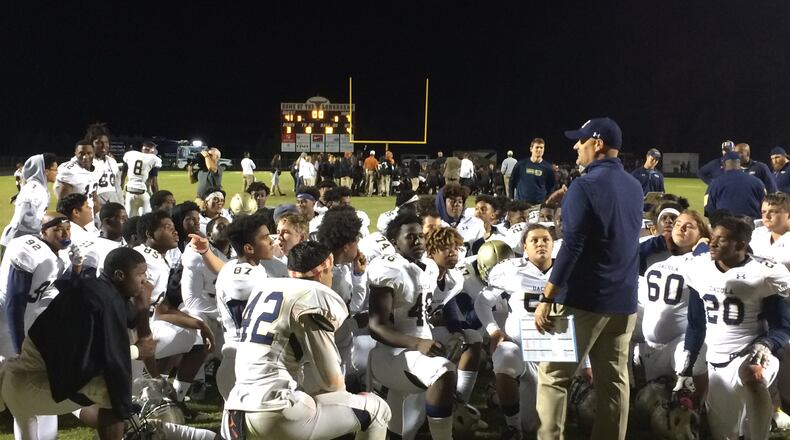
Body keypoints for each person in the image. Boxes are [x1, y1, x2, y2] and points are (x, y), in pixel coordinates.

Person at [533, 117, 643, 440]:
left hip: (585, 299)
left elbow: (572, 247)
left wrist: (548, 296)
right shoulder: (634, 185)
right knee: (614, 384)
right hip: (623, 300)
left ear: (597, 144)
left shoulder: (585, 185)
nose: (575, 146)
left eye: (581, 140)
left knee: (553, 375)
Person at [221, 241, 391, 440]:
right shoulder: (313, 295)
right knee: (377, 410)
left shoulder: (266, 287)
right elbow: (332, 383)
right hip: (276, 411)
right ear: (324, 268)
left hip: (235, 409)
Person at [0, 247, 154, 440]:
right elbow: (113, 361)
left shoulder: (98, 289)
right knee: (111, 389)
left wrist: (143, 306)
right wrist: (137, 351)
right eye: (140, 274)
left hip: (21, 377)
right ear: (120, 275)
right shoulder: (105, 301)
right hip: (29, 382)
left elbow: (129, 319)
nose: (145, 279)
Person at [680, 215, 790, 440]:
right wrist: (686, 366)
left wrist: (766, 344)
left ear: (740, 244)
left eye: (721, 240)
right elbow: (696, 324)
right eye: (712, 237)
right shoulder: (699, 268)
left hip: (752, 351)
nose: (712, 243)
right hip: (717, 359)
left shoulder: (764, 272)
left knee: (752, 374)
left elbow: (783, 327)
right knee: (724, 433)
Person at [367, 212, 456, 439]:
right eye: (410, 237)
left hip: (416, 353)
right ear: (395, 242)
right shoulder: (388, 269)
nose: (418, 241)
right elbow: (376, 326)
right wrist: (418, 343)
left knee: (401, 431)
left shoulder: (428, 266)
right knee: (443, 371)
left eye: (420, 236)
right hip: (392, 355)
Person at [213, 213, 273, 399]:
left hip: (244, 359)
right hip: (242, 362)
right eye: (265, 238)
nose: (271, 242)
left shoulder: (243, 266)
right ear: (248, 248)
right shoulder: (242, 276)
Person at [1, 154, 58, 247]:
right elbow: (24, 219)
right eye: (55, 169)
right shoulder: (34, 189)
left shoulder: (38, 187)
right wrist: (47, 227)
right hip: (15, 242)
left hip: (23, 240)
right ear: (46, 171)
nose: (57, 172)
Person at [704, 151, 766, 219]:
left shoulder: (714, 184)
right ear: (740, 164)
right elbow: (766, 205)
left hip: (726, 225)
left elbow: (708, 210)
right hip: (752, 226)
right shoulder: (758, 182)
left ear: (724, 164)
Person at [55, 139, 99, 211]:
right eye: (82, 153)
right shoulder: (70, 171)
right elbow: (62, 204)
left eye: (89, 153)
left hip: (89, 213)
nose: (85, 157)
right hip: (76, 215)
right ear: (75, 153)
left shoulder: (96, 166)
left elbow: (94, 195)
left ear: (94, 153)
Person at [509, 138, 555, 204]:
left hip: (538, 205)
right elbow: (512, 182)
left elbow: (551, 186)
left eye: (541, 148)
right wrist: (511, 199)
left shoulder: (548, 168)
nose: (539, 149)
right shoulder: (521, 165)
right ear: (531, 149)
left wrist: (546, 200)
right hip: (522, 204)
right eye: (537, 147)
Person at [87, 122, 122, 206]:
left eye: (106, 142)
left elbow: (117, 186)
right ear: (91, 144)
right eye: (99, 142)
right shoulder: (86, 163)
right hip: (95, 203)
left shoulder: (112, 161)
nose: (104, 146)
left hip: (113, 202)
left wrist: (121, 203)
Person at [750, 192, 790, 268]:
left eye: (773, 212)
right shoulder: (757, 234)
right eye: (763, 212)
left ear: (789, 215)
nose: (767, 216)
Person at [122, 143, 161, 217]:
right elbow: (153, 183)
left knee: (130, 220)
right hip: (143, 192)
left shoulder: (131, 155)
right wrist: (157, 198)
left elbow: (123, 175)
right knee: (145, 220)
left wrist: (121, 190)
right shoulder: (153, 159)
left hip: (129, 192)